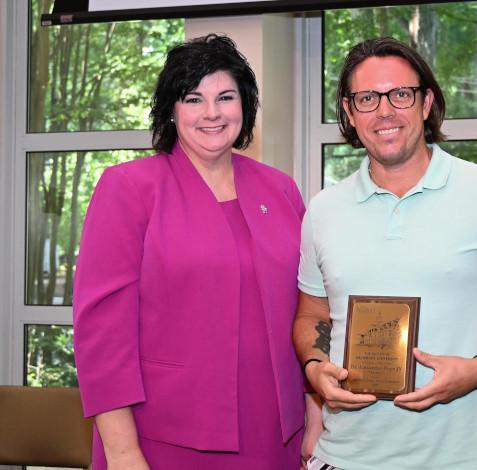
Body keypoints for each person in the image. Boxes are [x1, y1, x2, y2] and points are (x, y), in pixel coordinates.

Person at [293, 37, 477, 470]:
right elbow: (311, 314)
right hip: (346, 456)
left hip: (466, 458)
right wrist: (315, 367)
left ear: (426, 103)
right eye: (367, 98)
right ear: (349, 112)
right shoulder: (323, 210)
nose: (384, 111)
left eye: (400, 95)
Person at [73, 34, 315, 469]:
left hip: (276, 432)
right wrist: (122, 452)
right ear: (171, 109)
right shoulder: (129, 188)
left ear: (245, 105)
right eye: (193, 99)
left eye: (225, 97)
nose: (212, 113)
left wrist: (315, 416)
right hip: (164, 435)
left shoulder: (280, 189)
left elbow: (310, 310)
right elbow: (102, 334)